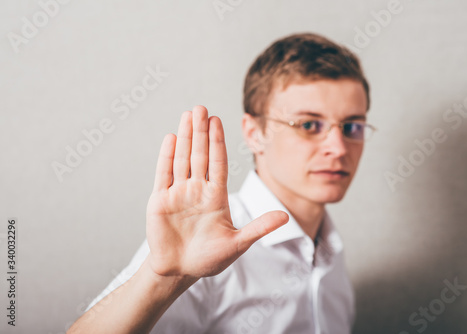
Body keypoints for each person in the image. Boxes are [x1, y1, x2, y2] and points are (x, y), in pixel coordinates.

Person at [68, 32, 374, 334]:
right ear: (255, 134)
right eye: (308, 125)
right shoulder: (200, 239)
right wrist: (163, 278)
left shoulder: (332, 248)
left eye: (352, 126)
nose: (339, 147)